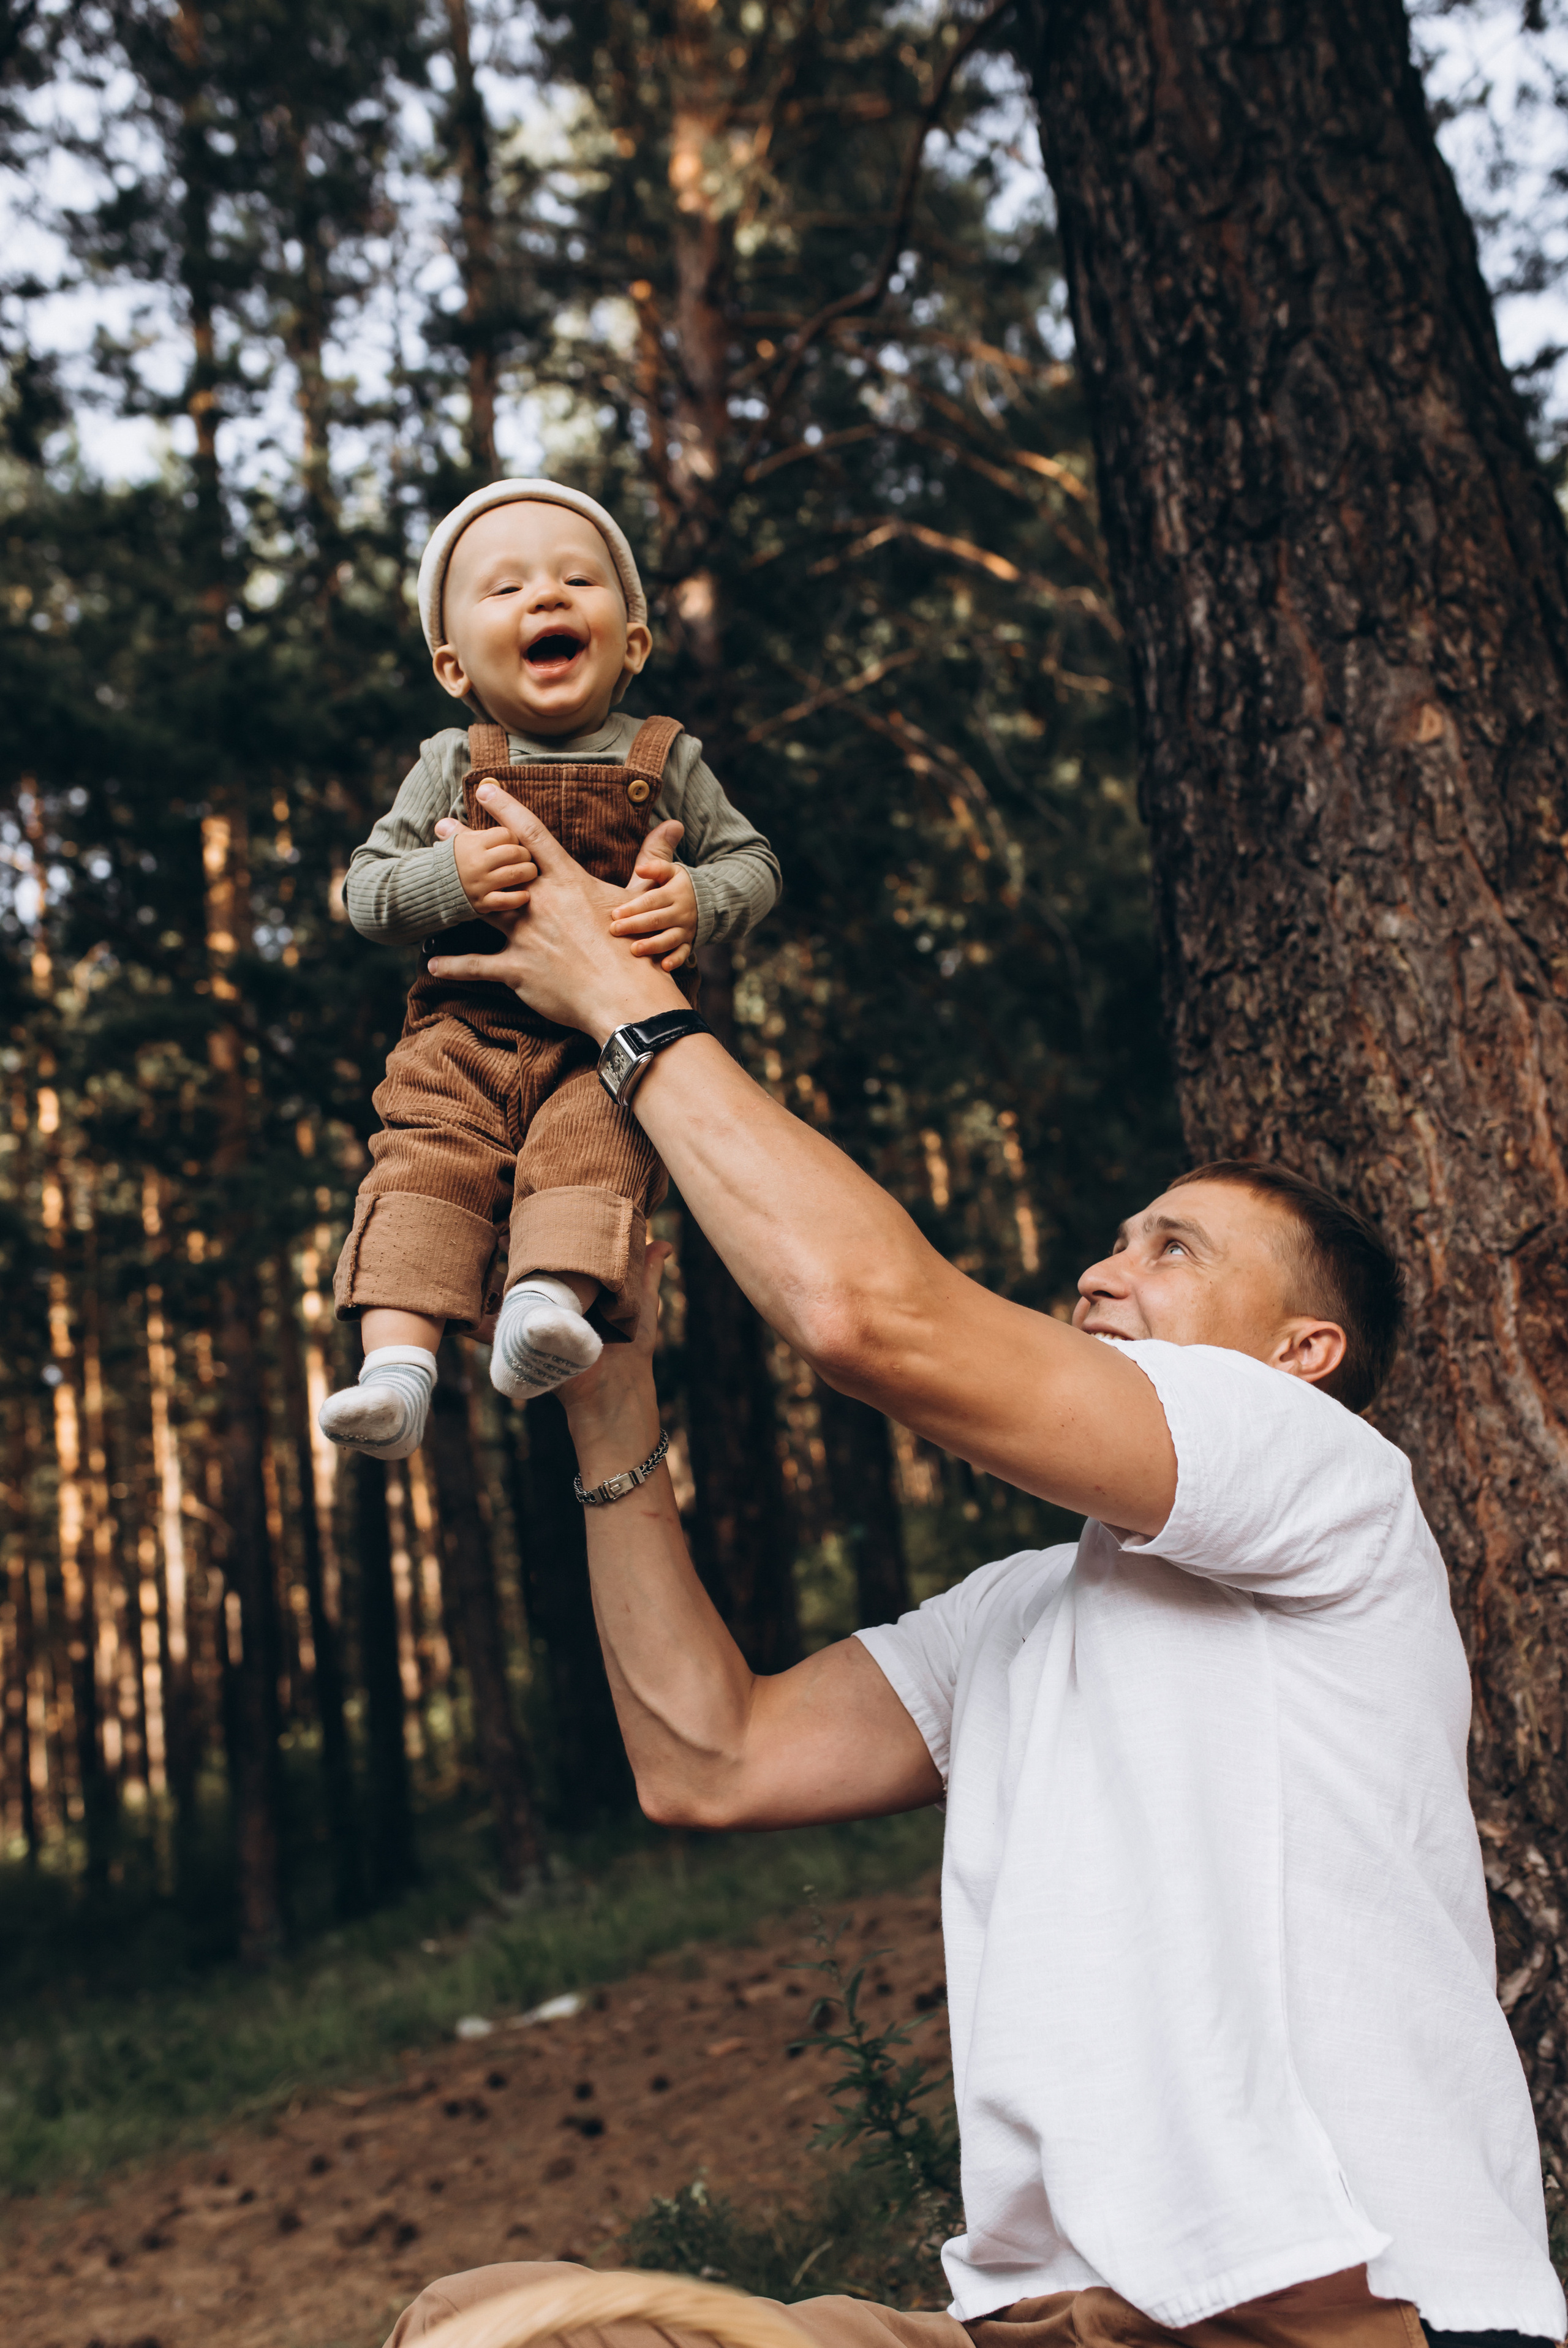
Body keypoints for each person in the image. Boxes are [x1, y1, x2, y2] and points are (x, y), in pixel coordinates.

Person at [383, 788, 1565, 2348]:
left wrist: (622, 996)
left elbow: (870, 1319)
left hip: (1342, 2306)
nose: (1099, 1267)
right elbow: (709, 1759)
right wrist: (613, 1399)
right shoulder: (1020, 1615)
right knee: (495, 2321)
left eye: (1171, 1249)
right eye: (1117, 1238)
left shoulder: (1328, 1483)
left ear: (1302, 1352)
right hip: (1032, 2325)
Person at [317, 478, 780, 1460]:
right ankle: (396, 1371)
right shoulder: (452, 761)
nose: (547, 598)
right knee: (425, 1160)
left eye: (579, 579)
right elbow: (367, 893)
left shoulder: (669, 757)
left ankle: (543, 1309)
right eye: (506, 588)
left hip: (607, 1044)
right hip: (462, 1035)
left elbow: (754, 864)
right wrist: (450, 873)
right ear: (452, 665)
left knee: (597, 1152)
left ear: (635, 642)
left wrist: (698, 900)